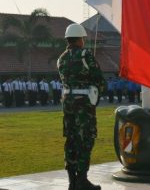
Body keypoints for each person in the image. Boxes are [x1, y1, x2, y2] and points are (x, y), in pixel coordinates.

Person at [57, 23, 105, 190]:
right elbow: (99, 80)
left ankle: (72, 182)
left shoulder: (61, 58)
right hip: (84, 105)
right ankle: (82, 181)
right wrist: (96, 96)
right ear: (80, 39)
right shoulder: (86, 55)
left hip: (68, 104)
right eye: (83, 39)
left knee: (70, 140)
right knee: (86, 140)